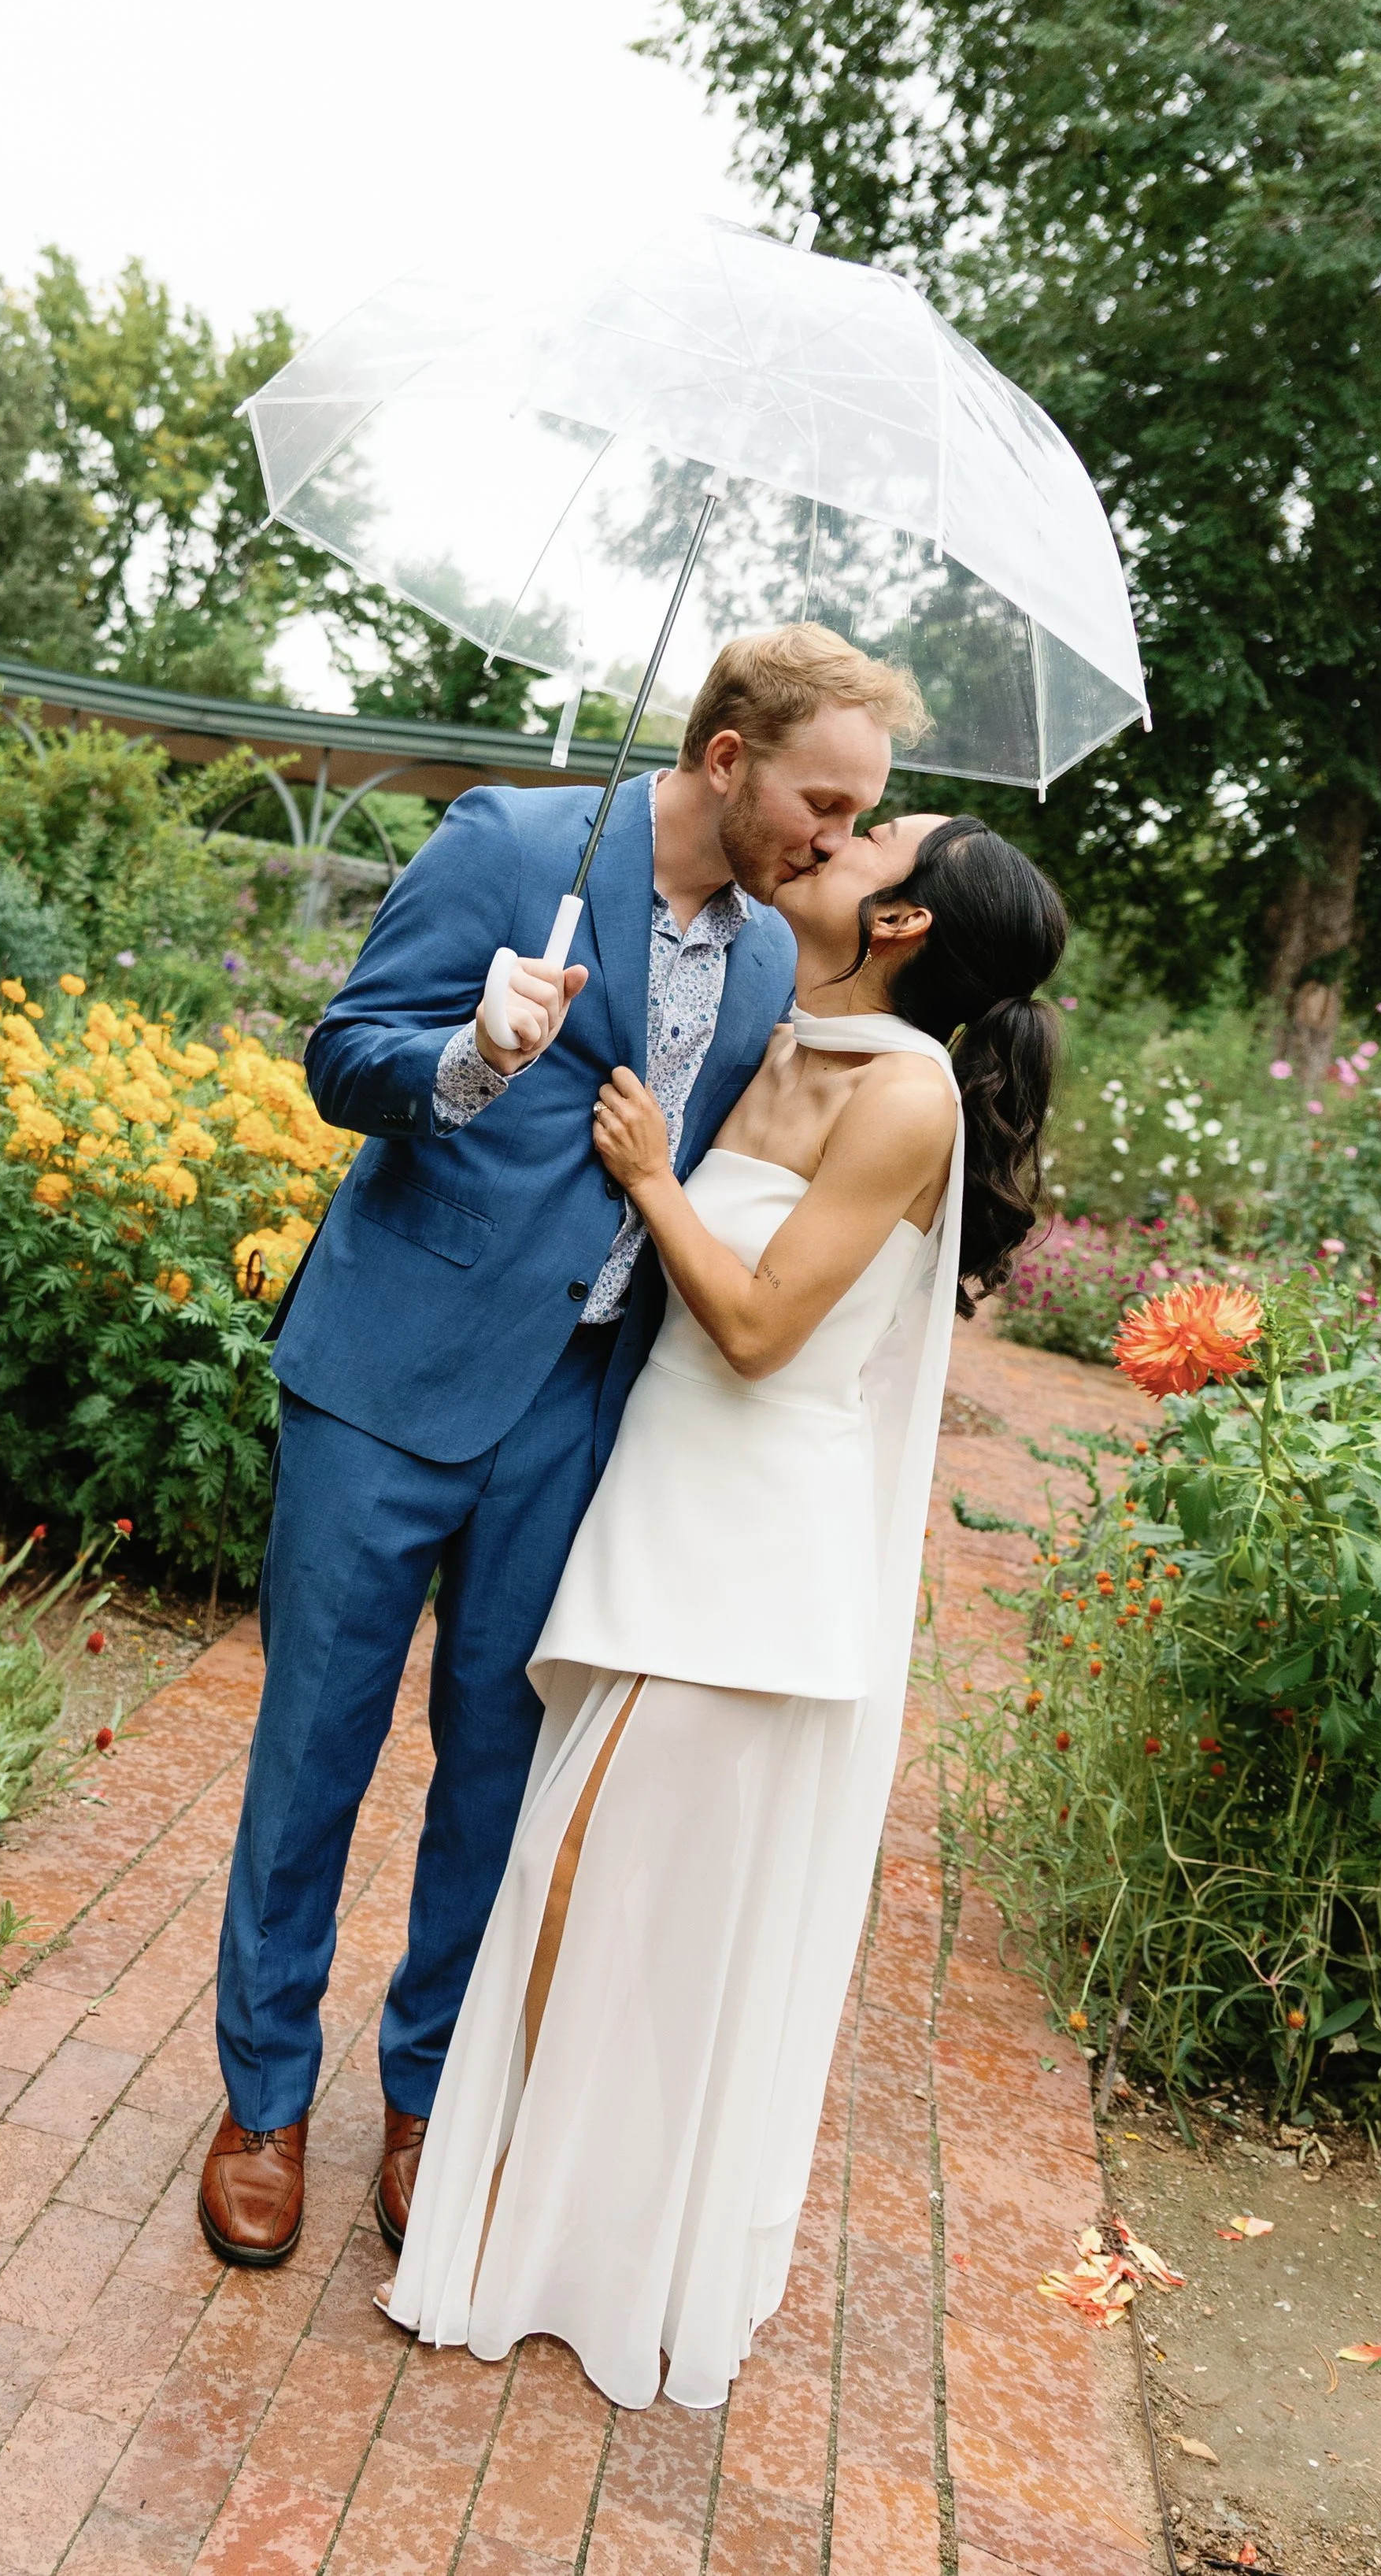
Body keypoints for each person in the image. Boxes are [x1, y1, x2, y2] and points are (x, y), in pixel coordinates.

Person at [199, 624, 931, 2267]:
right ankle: (259, 2099)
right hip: (384, 1382)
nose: (833, 840)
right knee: (314, 1743)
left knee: (492, 1773)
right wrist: (468, 1057)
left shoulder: (765, 962)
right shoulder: (510, 843)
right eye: (821, 800)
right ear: (728, 758)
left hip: (576, 1407)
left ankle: (423, 2097)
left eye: (857, 812)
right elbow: (338, 1059)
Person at [379, 811, 1068, 2407]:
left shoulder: (899, 1098)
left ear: (897, 923)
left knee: (574, 1879)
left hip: (751, 1560)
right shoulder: (779, 1027)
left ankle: (526, 2236)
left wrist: (643, 1171)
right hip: (660, 1509)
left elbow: (758, 1327)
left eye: (872, 835)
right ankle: (540, 2231)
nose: (837, 831)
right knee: (601, 1887)